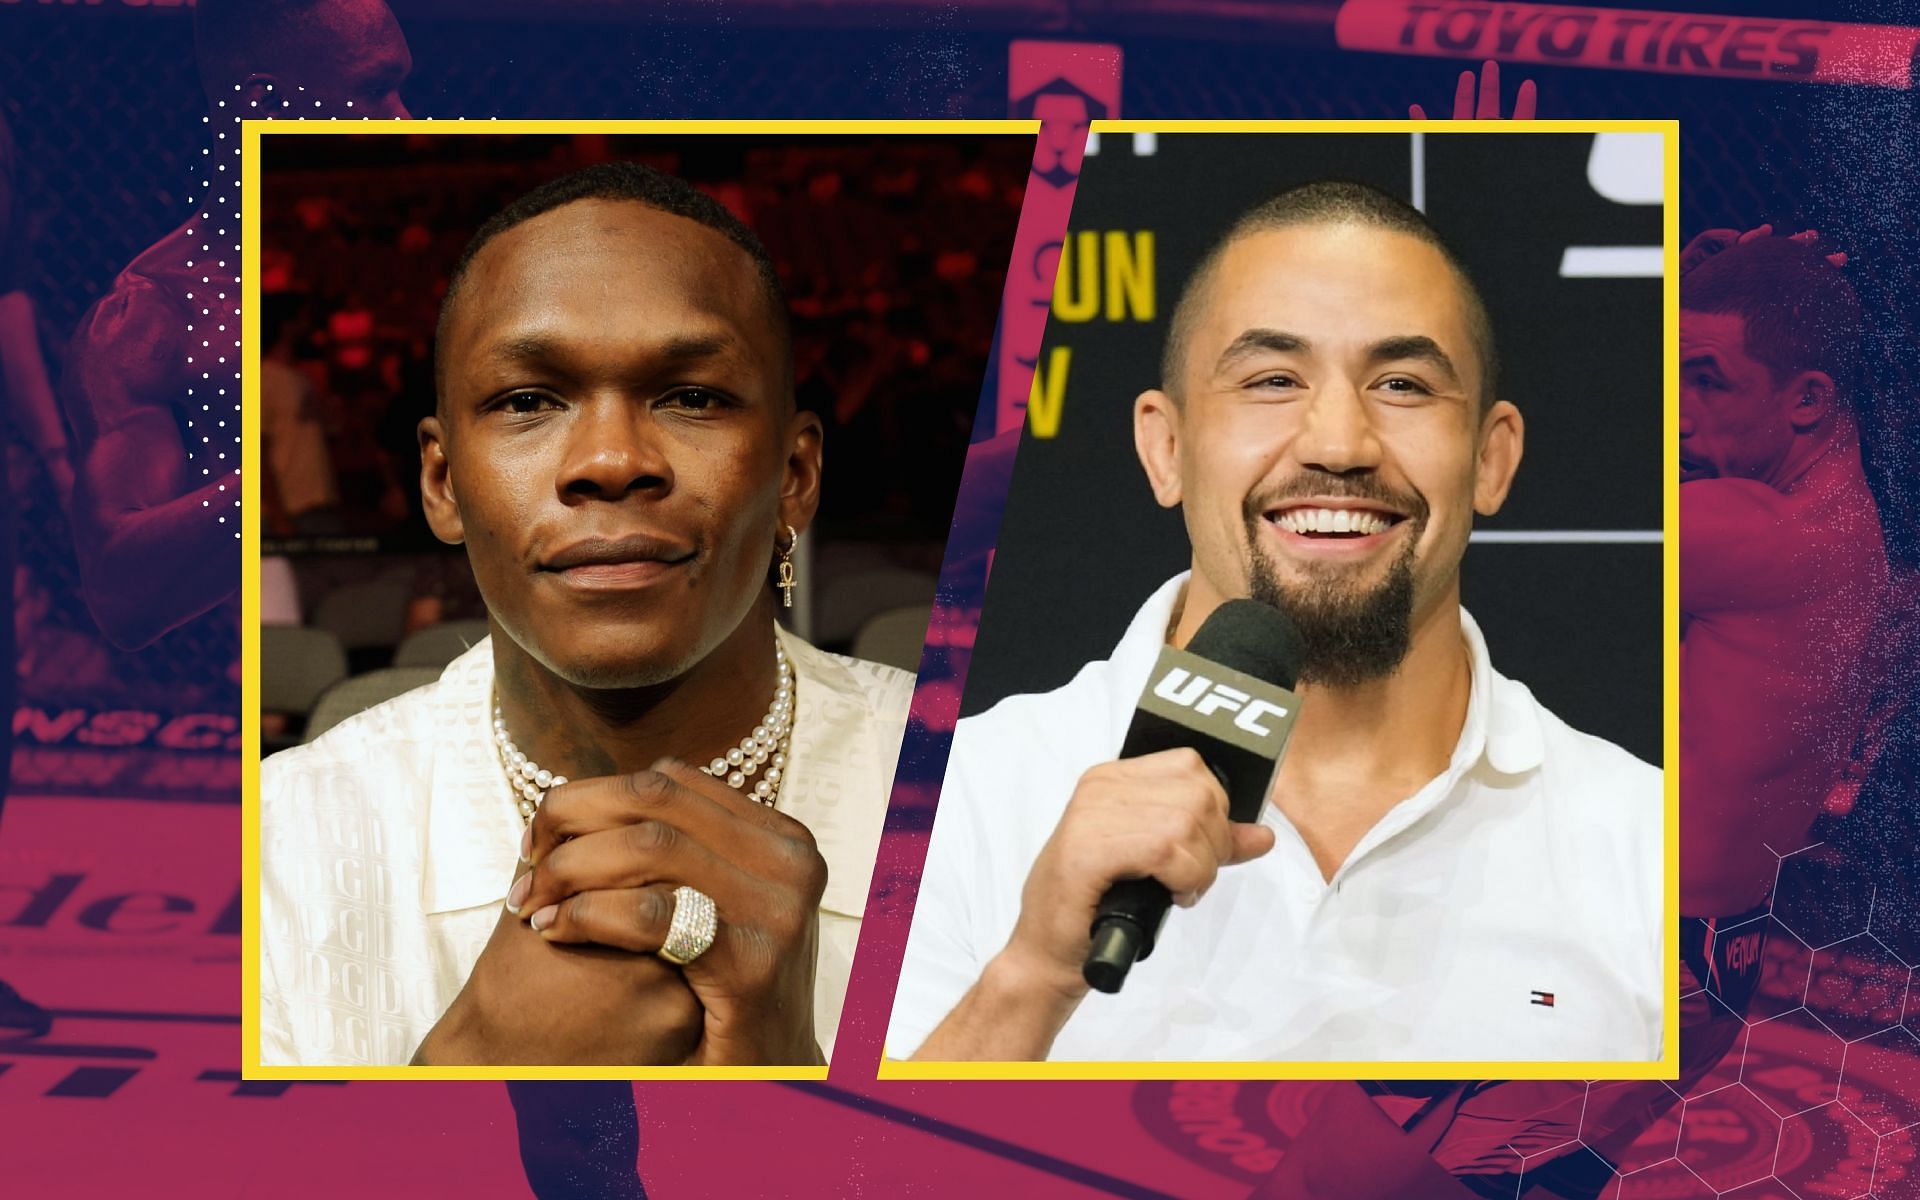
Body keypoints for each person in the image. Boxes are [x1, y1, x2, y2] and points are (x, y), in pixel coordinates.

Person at [888, 179, 1663, 1064]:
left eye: (1403, 384)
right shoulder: (951, 798)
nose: (1339, 443)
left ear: (1490, 460)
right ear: (1166, 447)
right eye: (1271, 380)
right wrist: (1030, 977)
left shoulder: (1653, 846)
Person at [259, 161, 913, 1067]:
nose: (610, 460)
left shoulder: (1006, 795)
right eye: (528, 401)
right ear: (442, 483)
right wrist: (466, 1071)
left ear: (795, 477)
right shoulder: (276, 844)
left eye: (693, 397)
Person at [61, 0, 411, 649]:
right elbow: (119, 590)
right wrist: (263, 486)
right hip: (259, 688)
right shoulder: (151, 318)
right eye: (372, 90)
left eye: (401, 88)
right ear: (268, 105)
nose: (404, 117)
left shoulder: (405, 258)